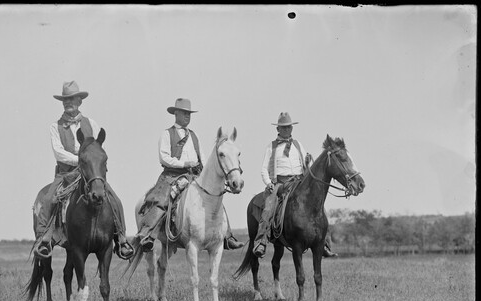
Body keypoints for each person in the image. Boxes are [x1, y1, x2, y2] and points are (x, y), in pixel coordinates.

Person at [34, 81, 134, 260]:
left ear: (79, 101)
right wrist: (80, 160)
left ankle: (121, 238)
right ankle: (44, 239)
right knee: (49, 198)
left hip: (89, 173)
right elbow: (58, 153)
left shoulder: (92, 124)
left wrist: (89, 163)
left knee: (114, 199)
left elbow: (96, 149)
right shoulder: (55, 127)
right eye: (65, 100)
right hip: (65, 174)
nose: (68, 102)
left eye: (72, 99)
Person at [135, 98, 244, 253]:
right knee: (163, 199)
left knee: (215, 196)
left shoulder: (194, 135)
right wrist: (184, 164)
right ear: (176, 114)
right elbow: (163, 157)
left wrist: (206, 174)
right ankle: (147, 234)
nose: (187, 116)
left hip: (194, 175)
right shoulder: (167, 134)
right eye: (184, 113)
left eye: (189, 113)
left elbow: (203, 158)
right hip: (171, 175)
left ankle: (227, 235)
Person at [253, 112, 337, 258]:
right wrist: (269, 183)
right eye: (283, 127)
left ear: (292, 128)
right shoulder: (271, 147)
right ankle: (262, 241)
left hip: (299, 182)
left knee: (319, 206)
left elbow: (307, 164)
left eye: (289, 127)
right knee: (269, 207)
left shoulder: (298, 145)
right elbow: (263, 170)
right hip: (280, 183)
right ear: (278, 129)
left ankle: (324, 243)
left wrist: (307, 162)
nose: (286, 130)